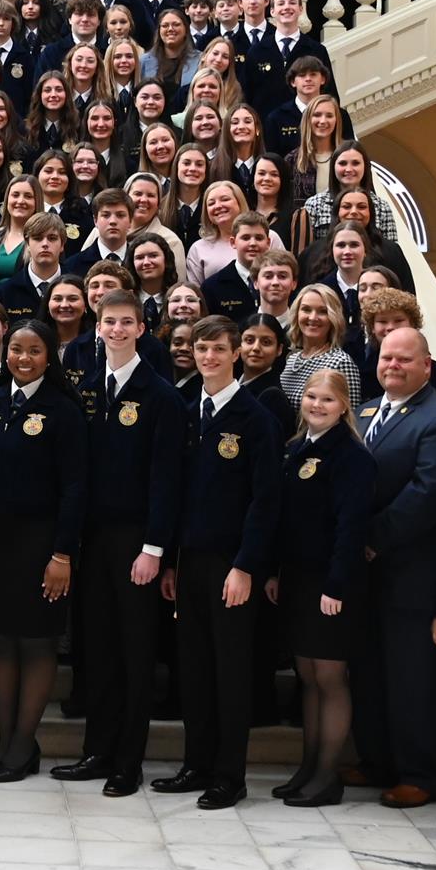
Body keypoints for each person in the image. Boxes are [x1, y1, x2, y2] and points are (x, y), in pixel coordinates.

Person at [57, 291, 187, 796]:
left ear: (141, 328)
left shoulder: (161, 396)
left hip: (137, 542)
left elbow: (166, 479)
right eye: (108, 321)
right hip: (93, 540)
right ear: (97, 327)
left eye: (126, 322)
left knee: (135, 654)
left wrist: (154, 549)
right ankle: (98, 751)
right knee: (98, 650)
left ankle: (128, 763)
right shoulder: (87, 389)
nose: (116, 330)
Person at [152, 314, 281, 810]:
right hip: (189, 561)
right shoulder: (187, 412)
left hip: (233, 564)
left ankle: (230, 775)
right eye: (201, 349)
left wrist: (247, 566)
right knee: (194, 668)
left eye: (219, 349)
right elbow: (174, 492)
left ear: (236, 355)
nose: (208, 357)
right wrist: (170, 561)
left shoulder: (256, 419)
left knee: (230, 672)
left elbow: (265, 502)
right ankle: (197, 764)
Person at [0, 318, 89, 782]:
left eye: (34, 351)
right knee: (1, 641)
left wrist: (63, 554)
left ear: (49, 358)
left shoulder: (63, 411)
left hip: (41, 545)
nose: (23, 358)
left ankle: (24, 743)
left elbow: (75, 488)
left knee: (35, 642)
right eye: (16, 350)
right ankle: (4, 742)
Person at [353, 326, 436, 807]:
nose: (393, 366)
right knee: (371, 673)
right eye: (387, 358)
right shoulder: (364, 411)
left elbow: (426, 494)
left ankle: (422, 774)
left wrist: (370, 539)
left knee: (414, 678)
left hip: (413, 573)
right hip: (365, 573)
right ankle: (376, 762)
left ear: (426, 366)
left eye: (404, 359)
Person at [270, 365, 373, 808]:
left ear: (344, 405)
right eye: (312, 397)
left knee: (329, 677)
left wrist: (337, 585)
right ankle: (308, 768)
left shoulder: (351, 456)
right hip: (298, 578)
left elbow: (351, 528)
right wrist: (275, 571)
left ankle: (328, 775)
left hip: (332, 583)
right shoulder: (296, 448)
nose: (317, 405)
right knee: (308, 677)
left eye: (328, 399)